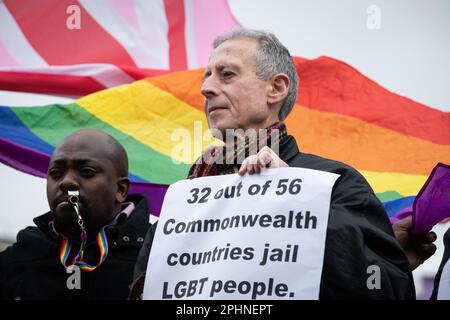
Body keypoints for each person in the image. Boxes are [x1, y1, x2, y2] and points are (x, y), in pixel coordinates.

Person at [131, 29, 418, 299]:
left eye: (226, 75)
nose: (206, 89)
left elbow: (390, 287)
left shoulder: (334, 182)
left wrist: (294, 200)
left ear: (276, 88)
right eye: (206, 78)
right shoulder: (184, 198)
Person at [0, 129, 151, 299]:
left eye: (87, 171)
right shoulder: (21, 255)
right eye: (56, 173)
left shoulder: (156, 254)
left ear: (121, 190)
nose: (66, 182)